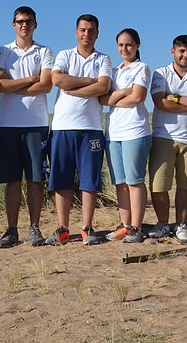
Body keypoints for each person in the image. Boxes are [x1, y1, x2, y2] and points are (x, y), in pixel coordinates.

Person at [46, 14, 113, 246]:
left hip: (91, 128)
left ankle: (86, 228)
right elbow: (57, 80)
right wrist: (89, 81)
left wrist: (74, 87)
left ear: (97, 33)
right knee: (62, 179)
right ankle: (62, 229)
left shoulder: (103, 59)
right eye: (83, 30)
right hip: (63, 127)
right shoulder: (65, 55)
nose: (87, 34)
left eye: (91, 30)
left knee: (89, 181)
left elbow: (103, 86)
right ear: (76, 32)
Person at [0, 6, 54, 248]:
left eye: (28, 21)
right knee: (12, 180)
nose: (24, 25)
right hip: (8, 125)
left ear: (35, 24)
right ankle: (11, 230)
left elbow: (46, 85)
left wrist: (13, 83)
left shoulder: (45, 52)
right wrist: (31, 79)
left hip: (36, 124)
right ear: (13, 25)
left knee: (35, 180)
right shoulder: (3, 51)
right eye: (19, 21)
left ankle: (34, 228)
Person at [148, 35, 187, 243]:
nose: (185, 55)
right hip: (163, 135)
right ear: (173, 52)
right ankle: (163, 223)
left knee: (186, 186)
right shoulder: (161, 74)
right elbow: (160, 103)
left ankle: (181, 225)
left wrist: (174, 97)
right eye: (181, 51)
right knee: (159, 185)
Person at [102, 29, 152, 244]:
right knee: (120, 183)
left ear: (138, 45)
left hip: (135, 130)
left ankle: (137, 227)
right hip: (114, 132)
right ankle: (125, 224)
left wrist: (115, 97)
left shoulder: (142, 68)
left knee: (134, 181)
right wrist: (124, 92)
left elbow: (138, 97)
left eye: (129, 45)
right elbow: (103, 99)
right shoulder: (113, 71)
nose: (125, 49)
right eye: (121, 45)